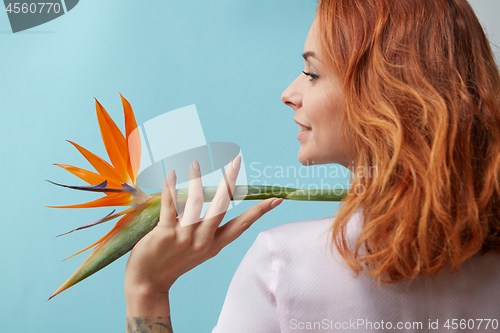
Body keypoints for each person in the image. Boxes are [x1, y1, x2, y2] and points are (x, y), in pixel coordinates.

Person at [124, 0, 500, 331]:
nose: (289, 95)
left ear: (386, 93)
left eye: (314, 74)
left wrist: (148, 291)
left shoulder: (284, 267)